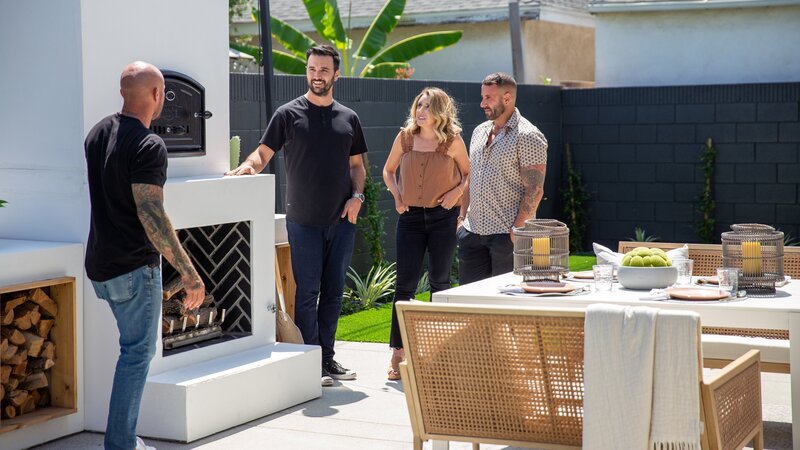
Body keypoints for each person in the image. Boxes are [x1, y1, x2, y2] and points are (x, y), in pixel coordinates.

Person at [226, 45, 367, 387]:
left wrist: (357, 198)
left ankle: (328, 359)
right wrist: (246, 167)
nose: (317, 75)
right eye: (312, 69)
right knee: (306, 292)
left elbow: (357, 166)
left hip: (342, 221)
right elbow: (263, 153)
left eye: (323, 70)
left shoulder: (349, 118)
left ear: (336, 74)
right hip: (302, 221)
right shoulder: (287, 114)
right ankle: (311, 361)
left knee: (333, 292)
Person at [85, 61, 205, 450]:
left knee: (130, 350)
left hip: (100, 266)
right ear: (156, 96)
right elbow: (151, 214)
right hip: (133, 268)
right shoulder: (149, 145)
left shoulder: (97, 133)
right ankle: (121, 444)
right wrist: (189, 273)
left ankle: (124, 439)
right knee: (137, 354)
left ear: (123, 92)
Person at [382, 88, 470, 381]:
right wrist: (397, 197)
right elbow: (388, 171)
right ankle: (398, 351)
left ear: (440, 112)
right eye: (419, 105)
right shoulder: (405, 138)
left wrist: (456, 194)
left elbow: (469, 175)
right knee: (405, 286)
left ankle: (440, 353)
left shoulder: (453, 141)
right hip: (409, 219)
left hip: (442, 219)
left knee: (440, 283)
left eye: (428, 107)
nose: (421, 111)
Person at [458, 72, 548, 285]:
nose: (482, 104)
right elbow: (471, 177)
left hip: (506, 238)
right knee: (469, 303)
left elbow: (535, 189)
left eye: (488, 98)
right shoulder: (479, 132)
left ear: (507, 98)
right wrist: (461, 220)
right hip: (472, 233)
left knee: (506, 303)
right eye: (482, 97)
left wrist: (517, 230)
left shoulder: (528, 135)